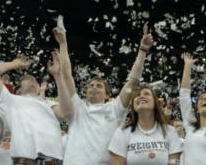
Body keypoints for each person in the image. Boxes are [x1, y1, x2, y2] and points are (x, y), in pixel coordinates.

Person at [54, 24, 154, 165]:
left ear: (107, 95)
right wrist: (63, 43)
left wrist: (143, 50)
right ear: (86, 91)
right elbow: (66, 75)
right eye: (91, 86)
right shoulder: (77, 107)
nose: (94, 88)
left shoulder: (115, 108)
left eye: (99, 86)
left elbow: (132, 82)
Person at [0, 49, 72, 165]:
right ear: (18, 90)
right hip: (25, 161)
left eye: (36, 81)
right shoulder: (9, 100)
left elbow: (66, 112)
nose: (33, 80)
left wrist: (58, 76)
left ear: (39, 89)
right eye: (27, 79)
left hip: (53, 161)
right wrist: (14, 64)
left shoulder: (48, 104)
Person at [108, 85, 182, 165]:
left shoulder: (170, 131)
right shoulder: (122, 132)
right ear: (133, 105)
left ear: (155, 102)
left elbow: (174, 162)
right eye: (137, 95)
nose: (141, 96)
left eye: (146, 94)